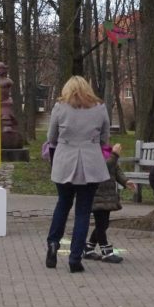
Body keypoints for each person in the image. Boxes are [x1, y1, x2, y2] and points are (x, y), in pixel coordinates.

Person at [45, 76, 111, 273]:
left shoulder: (60, 107)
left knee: (63, 204)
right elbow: (105, 137)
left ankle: (53, 243)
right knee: (83, 211)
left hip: (65, 161)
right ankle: (75, 258)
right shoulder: (99, 107)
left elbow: (51, 137)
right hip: (90, 164)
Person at [84, 143, 136, 263]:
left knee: (104, 224)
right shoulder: (92, 151)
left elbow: (115, 169)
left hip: (107, 195)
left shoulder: (106, 150)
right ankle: (106, 252)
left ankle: (89, 248)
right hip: (97, 194)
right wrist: (114, 155)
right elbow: (104, 167)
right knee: (101, 224)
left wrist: (125, 181)